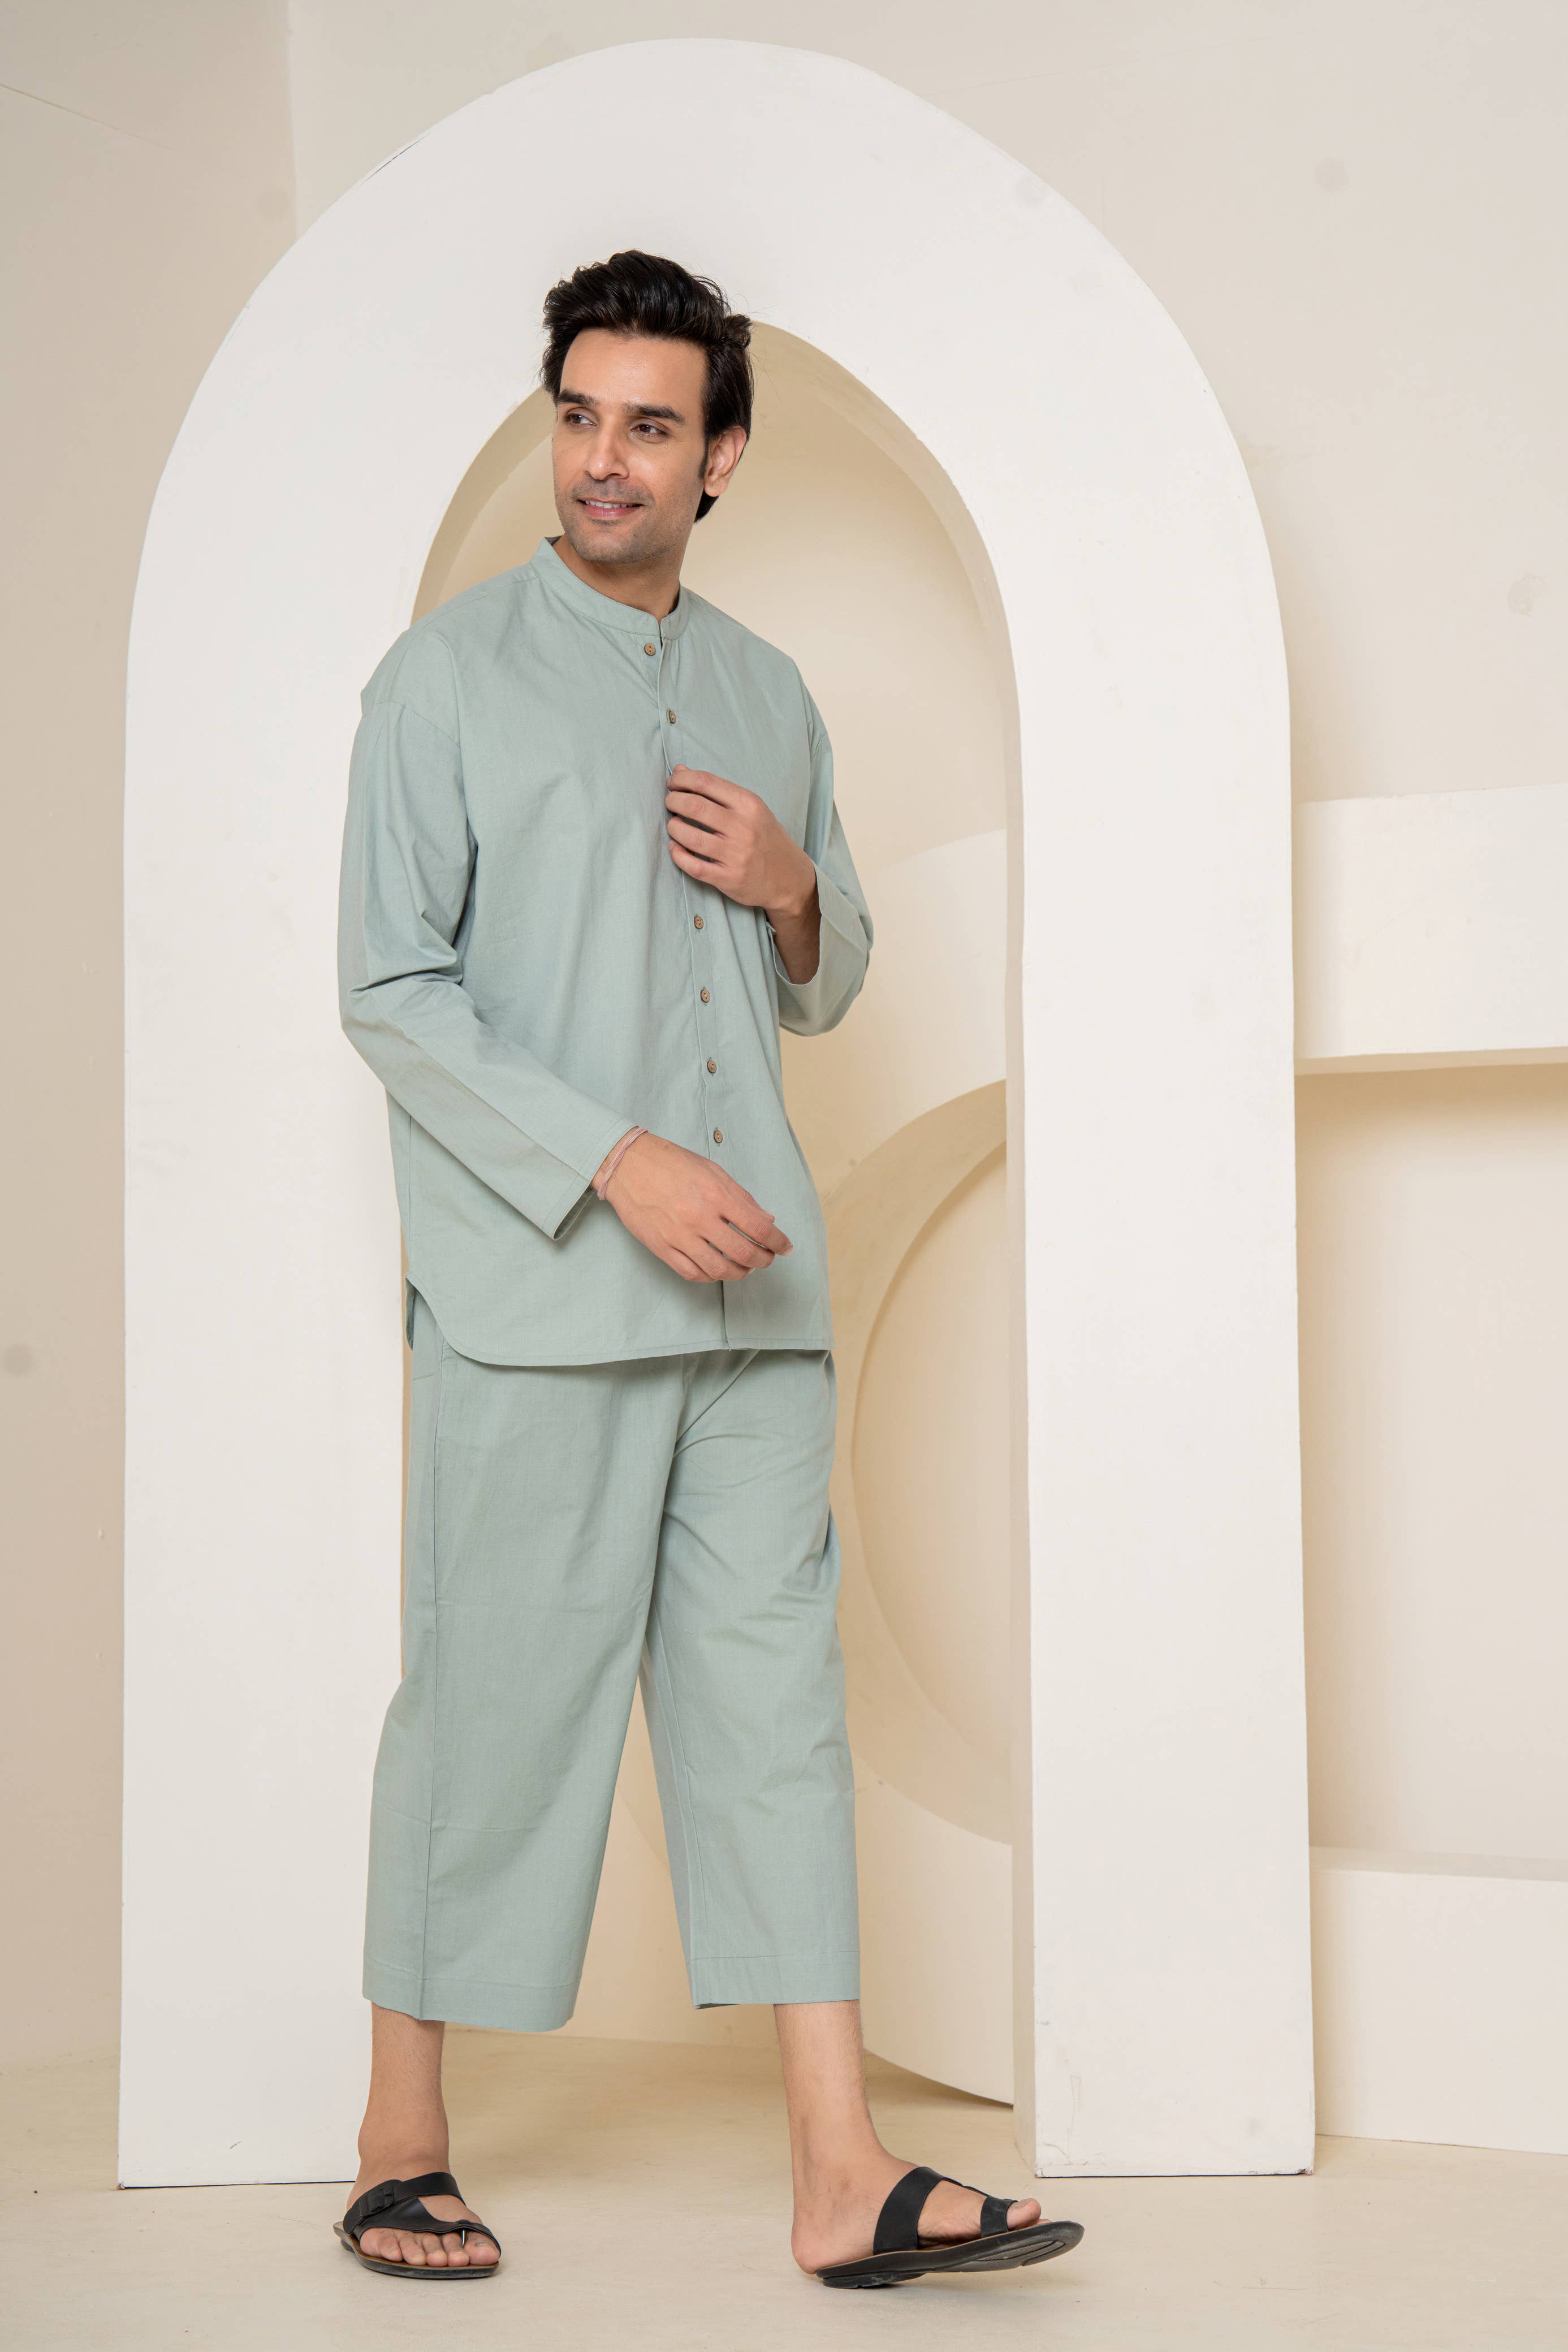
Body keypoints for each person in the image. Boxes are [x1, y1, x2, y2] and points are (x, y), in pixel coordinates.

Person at [332, 248, 1083, 2289]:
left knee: (774, 1719)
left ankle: (841, 2175)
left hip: (757, 1306)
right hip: (544, 1301)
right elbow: (389, 989)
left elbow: (824, 989)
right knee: (494, 1709)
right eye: (578, 417)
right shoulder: (444, 682)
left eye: (649, 426)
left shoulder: (769, 691)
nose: (604, 457)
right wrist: (616, 1162)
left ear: (719, 457)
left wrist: (796, 883)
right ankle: (401, 2141)